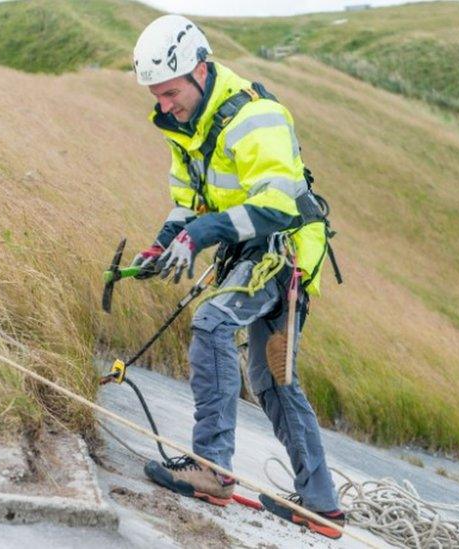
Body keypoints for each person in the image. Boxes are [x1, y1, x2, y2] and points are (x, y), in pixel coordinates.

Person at [130, 14, 345, 538]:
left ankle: (212, 468)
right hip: (252, 254)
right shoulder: (186, 129)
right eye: (157, 96)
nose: (164, 105)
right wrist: (162, 244)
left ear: (201, 71)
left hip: (283, 252)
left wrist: (201, 234)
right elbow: (187, 205)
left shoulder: (255, 116)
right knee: (271, 379)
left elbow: (276, 206)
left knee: (211, 324)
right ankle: (321, 504)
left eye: (171, 92)